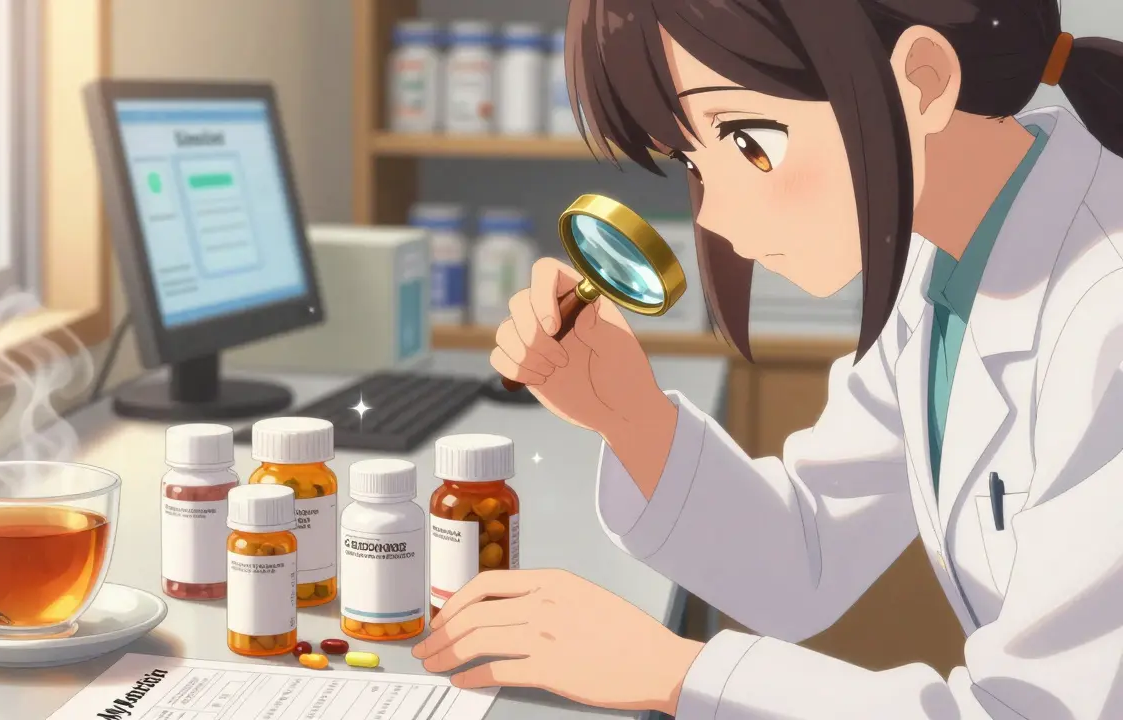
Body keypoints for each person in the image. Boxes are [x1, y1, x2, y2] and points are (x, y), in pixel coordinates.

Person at [410, 1, 1123, 718]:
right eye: (693, 158)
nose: (714, 213)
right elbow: (806, 554)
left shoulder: (1107, 318)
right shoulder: (940, 255)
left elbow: (1037, 712)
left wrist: (672, 670)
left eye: (751, 141)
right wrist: (631, 417)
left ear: (925, 82)